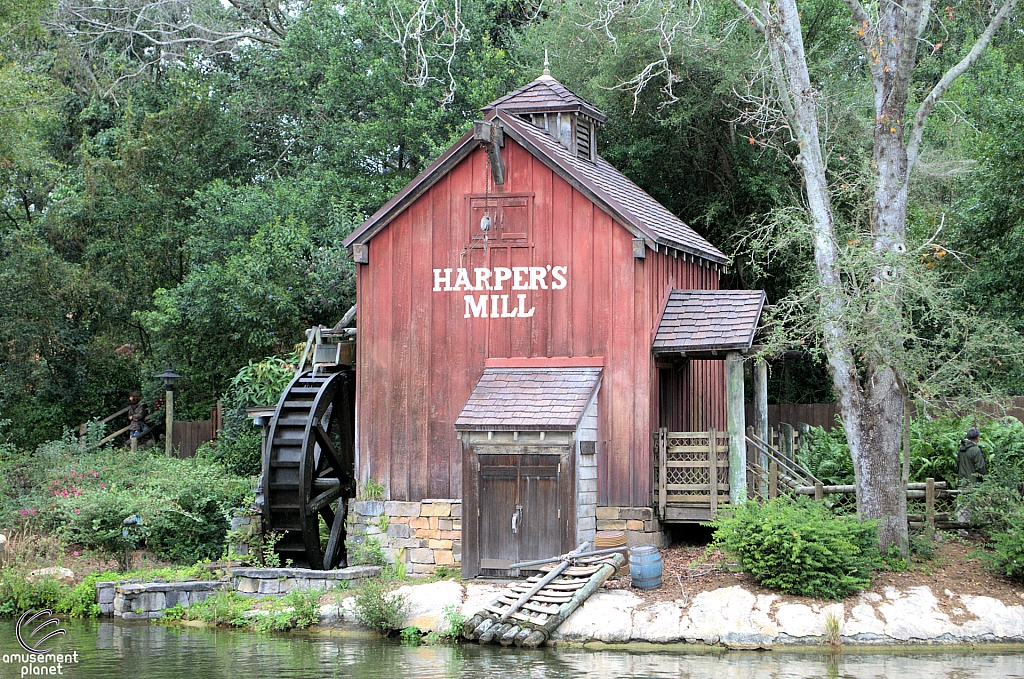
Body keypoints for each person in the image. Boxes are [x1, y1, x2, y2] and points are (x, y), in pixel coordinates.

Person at [956, 427, 987, 529]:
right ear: (977, 438)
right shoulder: (975, 450)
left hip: (962, 481)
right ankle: (976, 527)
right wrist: (985, 478)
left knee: (962, 506)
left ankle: (961, 529)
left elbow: (958, 463)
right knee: (976, 504)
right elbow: (980, 467)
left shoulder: (961, 449)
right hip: (974, 482)